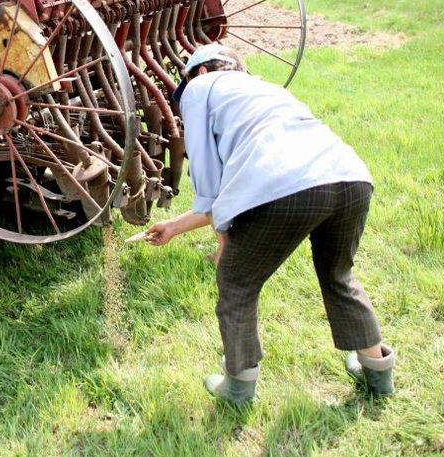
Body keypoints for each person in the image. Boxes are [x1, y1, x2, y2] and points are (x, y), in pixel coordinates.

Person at [141, 42, 395, 405]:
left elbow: (209, 178)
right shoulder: (264, 89)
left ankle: (238, 388)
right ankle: (377, 374)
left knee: (237, 282)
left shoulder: (200, 87)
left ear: (199, 72)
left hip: (286, 187)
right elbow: (243, 185)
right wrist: (175, 226)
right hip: (350, 178)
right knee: (338, 275)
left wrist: (224, 243)